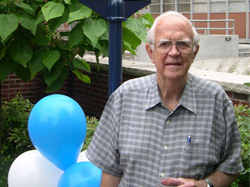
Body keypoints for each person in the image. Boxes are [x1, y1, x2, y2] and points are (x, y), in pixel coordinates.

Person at [86, 11, 243, 187]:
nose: (174, 52)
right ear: (150, 52)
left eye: (183, 44)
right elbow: (110, 171)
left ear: (194, 52)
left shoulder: (216, 100)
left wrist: (205, 184)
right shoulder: (124, 98)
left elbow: (231, 166)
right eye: (165, 44)